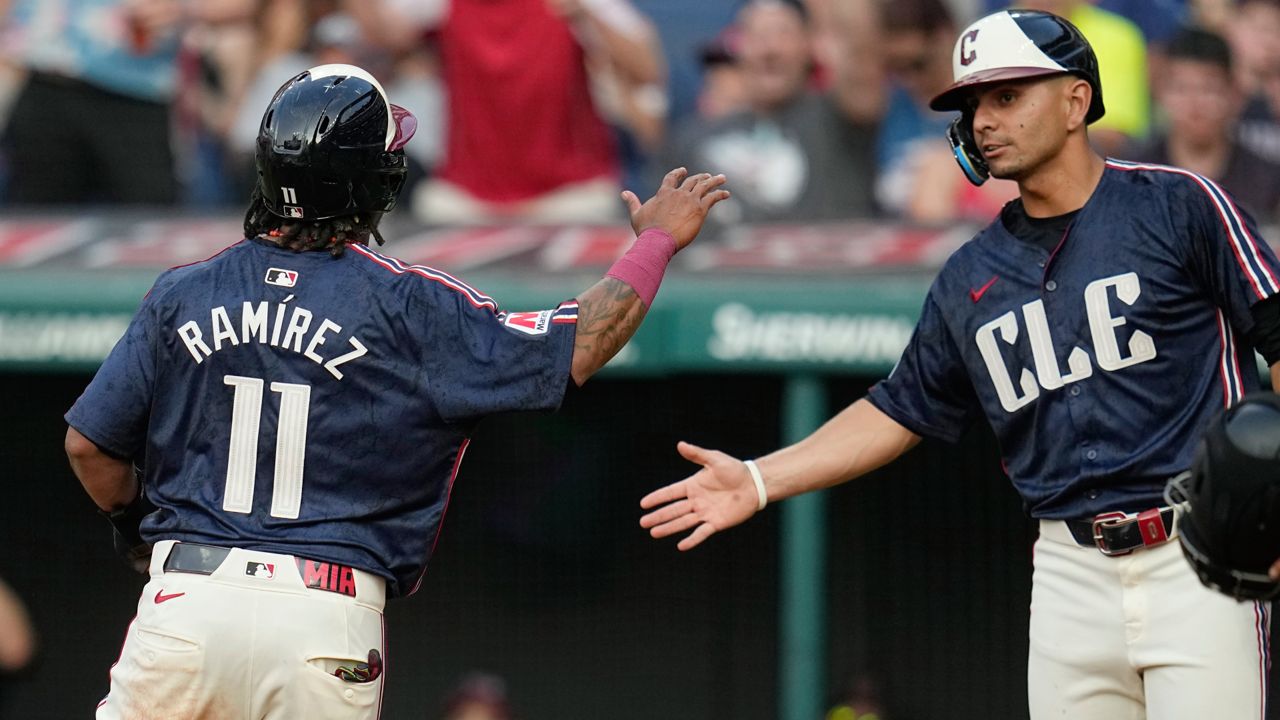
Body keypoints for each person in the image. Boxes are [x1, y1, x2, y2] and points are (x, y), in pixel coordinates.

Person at [641, 10, 1280, 720]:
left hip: (1194, 552)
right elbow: (899, 408)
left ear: (1075, 101)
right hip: (1068, 570)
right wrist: (760, 479)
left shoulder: (1179, 205)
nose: (983, 119)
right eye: (974, 103)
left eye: (1007, 96)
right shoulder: (969, 277)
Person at [63, 63, 727, 718]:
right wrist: (658, 241)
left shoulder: (184, 292)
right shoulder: (410, 305)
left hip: (186, 606)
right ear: (375, 180)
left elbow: (89, 446)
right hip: (325, 618)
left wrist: (133, 524)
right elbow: (580, 342)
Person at [343, 0, 663, 225]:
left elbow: (647, 70)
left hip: (571, 196)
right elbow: (383, 34)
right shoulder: (441, 4)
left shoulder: (578, 5)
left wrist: (586, 17)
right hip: (467, 198)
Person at [660, 0, 882, 225]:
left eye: (783, 34)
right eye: (756, 36)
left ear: (810, 44)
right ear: (738, 48)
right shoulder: (692, 138)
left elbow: (861, 45)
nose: (770, 49)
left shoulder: (842, 118)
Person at [1124, 26, 1280, 223]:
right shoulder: (1133, 176)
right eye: (1181, 89)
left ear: (1234, 94)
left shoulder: (1268, 180)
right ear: (1160, 93)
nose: (1194, 104)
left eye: (1209, 89)